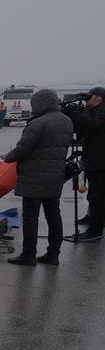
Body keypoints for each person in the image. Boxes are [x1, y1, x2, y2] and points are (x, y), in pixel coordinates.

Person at [3, 89, 74, 265]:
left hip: (33, 177)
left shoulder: (38, 123)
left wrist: (8, 157)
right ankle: (53, 254)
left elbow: (23, 149)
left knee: (30, 218)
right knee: (54, 216)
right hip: (55, 177)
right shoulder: (66, 121)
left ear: (40, 104)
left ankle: (28, 255)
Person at [70, 87, 105, 241]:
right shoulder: (93, 111)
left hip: (100, 162)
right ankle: (94, 220)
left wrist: (78, 113)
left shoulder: (101, 112)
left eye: (89, 97)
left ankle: (95, 230)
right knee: (96, 195)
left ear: (98, 98)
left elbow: (93, 124)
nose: (87, 100)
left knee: (97, 197)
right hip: (95, 160)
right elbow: (82, 130)